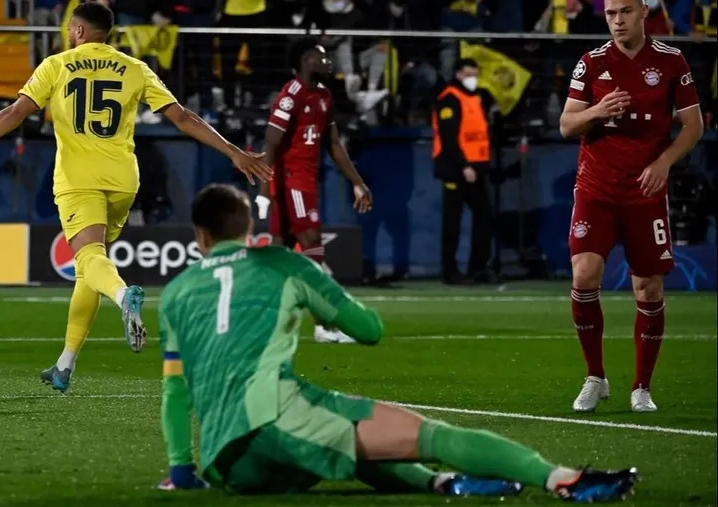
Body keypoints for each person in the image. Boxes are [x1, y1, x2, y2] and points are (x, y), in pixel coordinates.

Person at [155, 183, 638, 501]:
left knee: (351, 440)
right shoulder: (284, 263)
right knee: (429, 435)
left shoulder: (175, 292)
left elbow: (174, 393)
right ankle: (564, 479)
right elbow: (369, 331)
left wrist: (181, 471)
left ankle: (442, 483)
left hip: (231, 464)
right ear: (250, 229)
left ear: (200, 235)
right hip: (276, 418)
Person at [0, 2, 271, 392]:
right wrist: (234, 152)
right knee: (88, 267)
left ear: (76, 30)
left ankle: (124, 295)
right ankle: (64, 365)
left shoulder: (56, 65)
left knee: (91, 259)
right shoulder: (135, 68)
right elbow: (183, 118)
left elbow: (15, 113)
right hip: (123, 181)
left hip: (79, 179)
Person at [560, 0, 703, 414]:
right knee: (584, 275)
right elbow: (566, 124)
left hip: (644, 191)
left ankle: (641, 386)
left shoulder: (672, 61)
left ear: (644, 12)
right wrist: (598, 111)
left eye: (624, 12)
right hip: (596, 187)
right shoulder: (591, 62)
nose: (617, 21)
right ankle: (595, 376)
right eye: (610, 14)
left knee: (649, 289)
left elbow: (694, 125)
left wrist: (663, 163)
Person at [255, 38, 372, 344]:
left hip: (306, 181)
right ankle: (325, 325)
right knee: (313, 250)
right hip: (292, 181)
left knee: (279, 255)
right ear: (306, 60)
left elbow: (333, 144)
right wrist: (265, 192)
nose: (328, 62)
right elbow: (270, 142)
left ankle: (259, 320)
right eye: (322, 57)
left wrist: (357, 182)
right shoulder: (291, 95)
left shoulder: (323, 96)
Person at [431, 59, 494, 285]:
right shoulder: (449, 99)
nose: (473, 78)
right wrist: (464, 165)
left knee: (484, 218)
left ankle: (477, 268)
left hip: (476, 168)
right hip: (456, 170)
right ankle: (450, 271)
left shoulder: (476, 98)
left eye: (475, 74)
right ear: (458, 74)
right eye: (469, 74)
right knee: (452, 224)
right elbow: (449, 139)